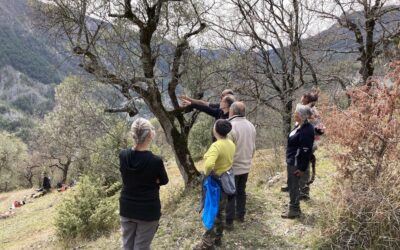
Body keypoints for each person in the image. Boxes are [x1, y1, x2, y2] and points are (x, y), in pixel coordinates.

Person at [119, 118, 169, 250]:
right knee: (142, 247)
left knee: (127, 246)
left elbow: (128, 176)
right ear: (150, 135)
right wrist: (152, 180)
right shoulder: (155, 161)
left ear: (132, 135)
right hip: (147, 211)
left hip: (127, 208)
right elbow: (164, 180)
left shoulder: (123, 155)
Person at [194, 119, 236, 250]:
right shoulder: (230, 143)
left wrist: (208, 173)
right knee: (220, 211)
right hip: (225, 181)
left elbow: (208, 165)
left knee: (211, 210)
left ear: (216, 130)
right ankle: (218, 238)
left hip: (215, 184)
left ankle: (207, 244)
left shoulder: (216, 146)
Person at [225, 102, 256, 230]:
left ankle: (229, 221)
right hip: (246, 165)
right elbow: (253, 147)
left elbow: (227, 149)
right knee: (241, 191)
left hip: (233, 167)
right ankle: (241, 215)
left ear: (233, 112)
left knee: (230, 194)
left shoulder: (231, 126)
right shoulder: (251, 125)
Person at [281, 104, 314, 219]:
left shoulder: (307, 130)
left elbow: (306, 151)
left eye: (296, 112)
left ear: (301, 116)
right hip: (292, 161)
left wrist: (302, 169)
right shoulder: (299, 126)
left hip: (296, 163)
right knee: (291, 185)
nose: (294, 113)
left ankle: (294, 210)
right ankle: (293, 206)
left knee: (294, 186)